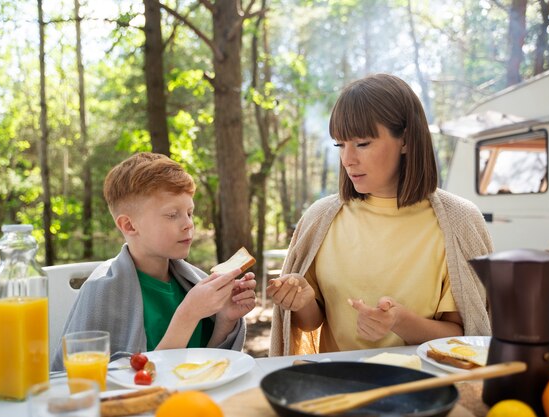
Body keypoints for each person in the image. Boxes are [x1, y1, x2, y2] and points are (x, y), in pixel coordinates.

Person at [267, 74, 493, 357]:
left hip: (424, 390)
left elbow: (467, 334)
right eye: (340, 145)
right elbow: (311, 323)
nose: (348, 159)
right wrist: (300, 301)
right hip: (335, 387)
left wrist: (399, 322)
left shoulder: (459, 221)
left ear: (406, 141)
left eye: (362, 143)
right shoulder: (320, 219)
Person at [52, 153, 257, 370]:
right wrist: (188, 315)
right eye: (172, 215)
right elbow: (100, 381)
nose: (188, 224)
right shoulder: (102, 291)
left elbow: (204, 368)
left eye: (189, 213)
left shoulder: (195, 283)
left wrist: (225, 319)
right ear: (129, 226)